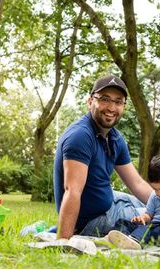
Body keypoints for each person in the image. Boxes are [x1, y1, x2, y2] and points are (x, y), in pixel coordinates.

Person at [53, 74, 153, 239]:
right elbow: (72, 191)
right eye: (105, 99)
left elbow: (137, 184)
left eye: (118, 101)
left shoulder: (115, 138)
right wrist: (63, 241)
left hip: (110, 202)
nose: (112, 108)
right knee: (158, 219)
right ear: (90, 101)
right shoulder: (80, 136)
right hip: (92, 221)